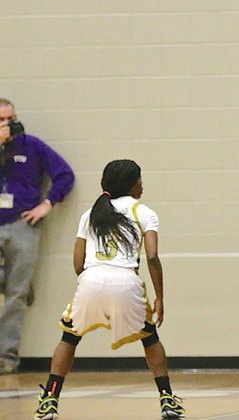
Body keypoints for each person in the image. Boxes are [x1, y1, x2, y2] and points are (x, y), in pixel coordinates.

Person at [34, 159, 185, 420]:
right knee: (149, 338)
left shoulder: (90, 213)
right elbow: (151, 256)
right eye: (140, 179)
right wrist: (160, 296)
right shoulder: (144, 212)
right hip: (126, 280)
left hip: (90, 279)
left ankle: (49, 399)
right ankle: (167, 400)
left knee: (69, 337)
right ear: (131, 183)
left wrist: (91, 284)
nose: (142, 184)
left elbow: (78, 262)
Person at [0, 98, 75, 375]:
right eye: (1, 120)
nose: (7, 125)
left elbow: (65, 175)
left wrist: (46, 205)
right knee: (9, 286)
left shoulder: (32, 146)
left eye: (11, 118)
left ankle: (6, 357)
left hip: (22, 223)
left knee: (16, 294)